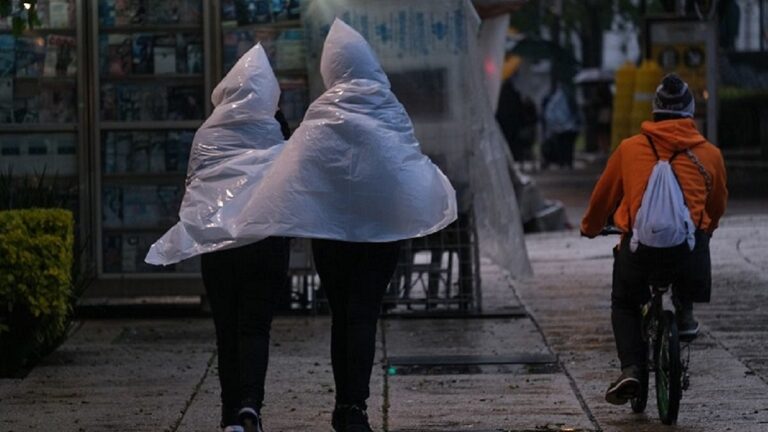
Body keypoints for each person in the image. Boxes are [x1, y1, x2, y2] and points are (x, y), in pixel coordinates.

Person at [580, 73, 727, 406]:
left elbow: (603, 197)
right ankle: (685, 312)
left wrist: (590, 227)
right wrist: (708, 228)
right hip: (688, 255)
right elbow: (716, 205)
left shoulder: (630, 149)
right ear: (690, 113)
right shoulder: (711, 155)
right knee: (698, 238)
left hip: (639, 252)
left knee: (624, 302)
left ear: (655, 112)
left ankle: (631, 367)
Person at [541, 82, 581, 168]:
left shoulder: (555, 100)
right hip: (571, 127)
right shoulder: (569, 98)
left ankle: (563, 162)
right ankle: (568, 162)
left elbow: (549, 114)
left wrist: (555, 125)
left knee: (562, 147)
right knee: (569, 147)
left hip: (560, 129)